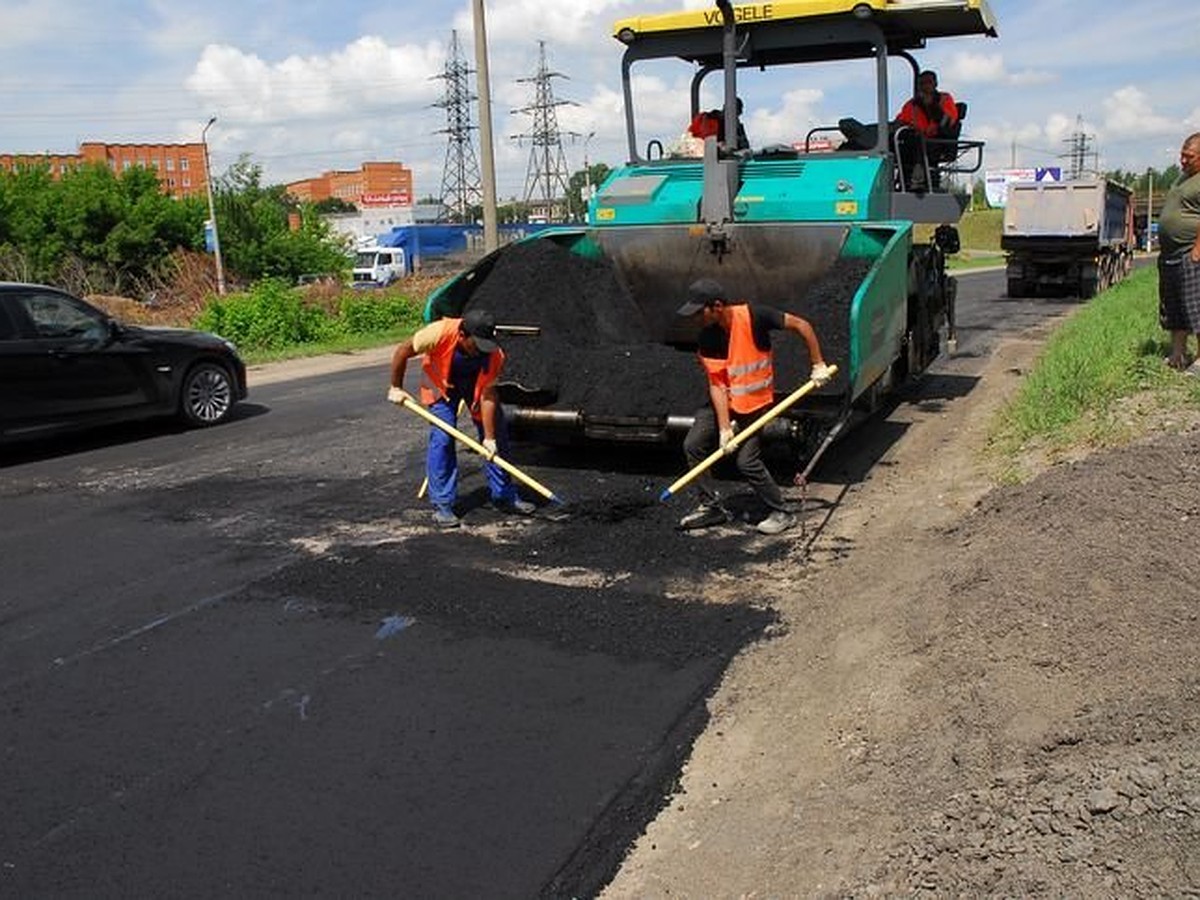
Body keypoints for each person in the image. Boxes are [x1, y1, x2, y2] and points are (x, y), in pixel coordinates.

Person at [675, 278, 833, 536]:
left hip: (756, 404)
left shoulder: (755, 316)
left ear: (716, 306)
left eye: (698, 311)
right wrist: (725, 428)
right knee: (693, 445)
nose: (694, 318)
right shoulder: (707, 336)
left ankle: (782, 511)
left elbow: (801, 325)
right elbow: (717, 385)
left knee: (746, 461)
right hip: (726, 402)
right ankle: (711, 507)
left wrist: (817, 364)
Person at [388, 308, 535, 528]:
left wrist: (489, 438)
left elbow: (488, 395)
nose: (481, 351)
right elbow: (402, 351)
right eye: (476, 345)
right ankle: (443, 505)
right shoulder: (438, 333)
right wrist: (396, 387)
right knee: (443, 438)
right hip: (439, 383)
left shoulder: (494, 354)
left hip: (474, 387)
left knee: (498, 436)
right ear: (462, 336)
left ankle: (504, 495)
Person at [1158, 132, 1200, 373]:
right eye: (1182, 155)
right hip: (1170, 255)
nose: (1183, 161)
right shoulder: (1183, 177)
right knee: (1173, 306)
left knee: (1195, 306)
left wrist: (1197, 250)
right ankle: (1178, 354)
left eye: (1190, 157)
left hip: (1190, 253)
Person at [893, 70, 960, 190]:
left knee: (921, 142)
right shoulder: (911, 105)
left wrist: (933, 107)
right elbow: (899, 122)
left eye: (928, 83)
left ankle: (919, 177)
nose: (925, 87)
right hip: (913, 143)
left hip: (938, 142)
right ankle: (897, 181)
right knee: (896, 141)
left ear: (935, 84)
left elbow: (948, 124)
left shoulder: (945, 99)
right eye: (922, 84)